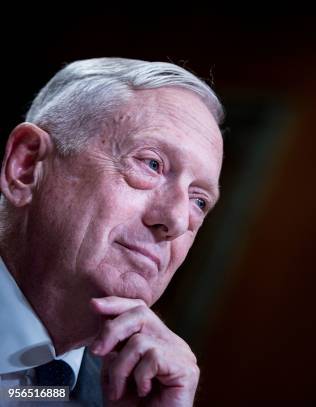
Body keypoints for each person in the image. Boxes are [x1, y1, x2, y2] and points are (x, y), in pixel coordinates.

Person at [0, 58, 224, 406]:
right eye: (151, 164)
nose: (176, 220)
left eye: (199, 201)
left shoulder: (126, 395)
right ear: (27, 166)